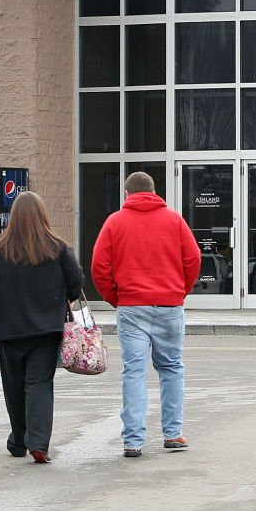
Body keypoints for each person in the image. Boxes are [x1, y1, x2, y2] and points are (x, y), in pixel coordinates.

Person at [0, 191, 83, 464]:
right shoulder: (58, 248)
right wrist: (62, 298)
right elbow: (76, 283)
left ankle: (18, 441)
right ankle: (38, 444)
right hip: (47, 331)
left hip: (9, 330)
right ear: (42, 215)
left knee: (13, 387)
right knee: (38, 385)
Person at [90, 170, 201, 458]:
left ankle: (133, 441)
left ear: (127, 194)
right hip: (169, 305)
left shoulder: (115, 222)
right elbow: (193, 259)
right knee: (172, 368)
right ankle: (173, 434)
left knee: (134, 373)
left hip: (132, 307)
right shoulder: (174, 220)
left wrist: (116, 298)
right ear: (154, 192)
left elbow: (99, 267)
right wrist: (180, 291)